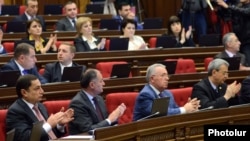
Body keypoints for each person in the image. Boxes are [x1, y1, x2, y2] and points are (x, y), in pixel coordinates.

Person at [6, 74, 74, 141]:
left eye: (41, 87)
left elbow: (51, 134)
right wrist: (49, 125)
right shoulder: (15, 111)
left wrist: (60, 124)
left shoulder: (41, 106)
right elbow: (25, 138)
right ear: (24, 92)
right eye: (37, 88)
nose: (42, 91)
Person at [133, 63, 200, 121]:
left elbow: (175, 110)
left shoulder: (167, 93)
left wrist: (190, 109)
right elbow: (159, 114)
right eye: (163, 75)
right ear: (152, 79)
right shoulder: (145, 95)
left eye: (167, 75)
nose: (167, 78)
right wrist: (184, 109)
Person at [68, 68, 126, 134]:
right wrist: (110, 120)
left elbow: (106, 121)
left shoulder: (99, 99)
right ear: (92, 85)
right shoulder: (77, 103)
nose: (104, 84)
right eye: (101, 81)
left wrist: (116, 117)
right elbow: (88, 130)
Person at [216, 0, 250, 66]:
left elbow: (244, 12)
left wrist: (228, 6)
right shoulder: (238, 6)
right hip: (238, 40)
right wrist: (222, 7)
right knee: (238, 63)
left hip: (248, 41)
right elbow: (228, 15)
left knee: (248, 61)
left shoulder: (243, 8)